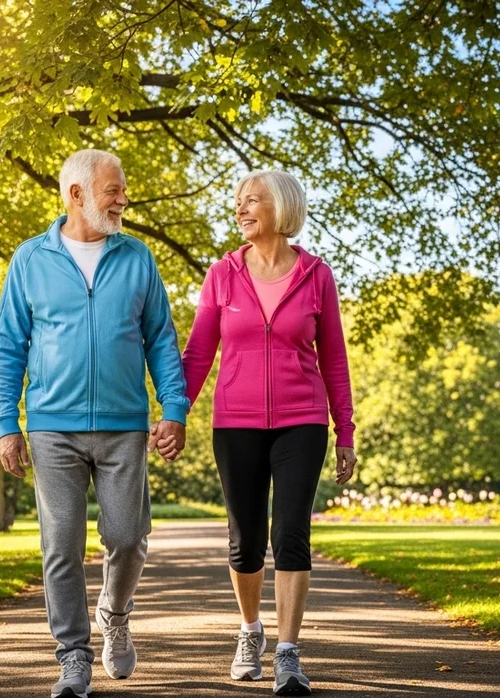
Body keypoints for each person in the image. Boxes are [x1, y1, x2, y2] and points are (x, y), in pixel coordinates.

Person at [0, 148, 189, 698]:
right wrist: (6, 423)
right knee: (61, 546)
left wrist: (173, 409)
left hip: (125, 425)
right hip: (52, 425)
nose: (124, 199)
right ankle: (73, 656)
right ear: (77, 194)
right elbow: (8, 345)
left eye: (122, 189)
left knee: (127, 537)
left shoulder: (137, 257)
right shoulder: (31, 259)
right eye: (113, 190)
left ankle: (115, 614)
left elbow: (162, 340)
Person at [164, 169, 357, 696]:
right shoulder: (222, 274)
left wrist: (344, 430)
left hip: (302, 421)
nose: (241, 208)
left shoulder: (317, 275)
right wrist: (174, 413)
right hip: (236, 422)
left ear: (281, 208)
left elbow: (334, 358)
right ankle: (250, 631)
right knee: (245, 539)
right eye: (239, 201)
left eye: (253, 200)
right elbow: (198, 354)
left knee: (290, 533)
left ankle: (288, 653)